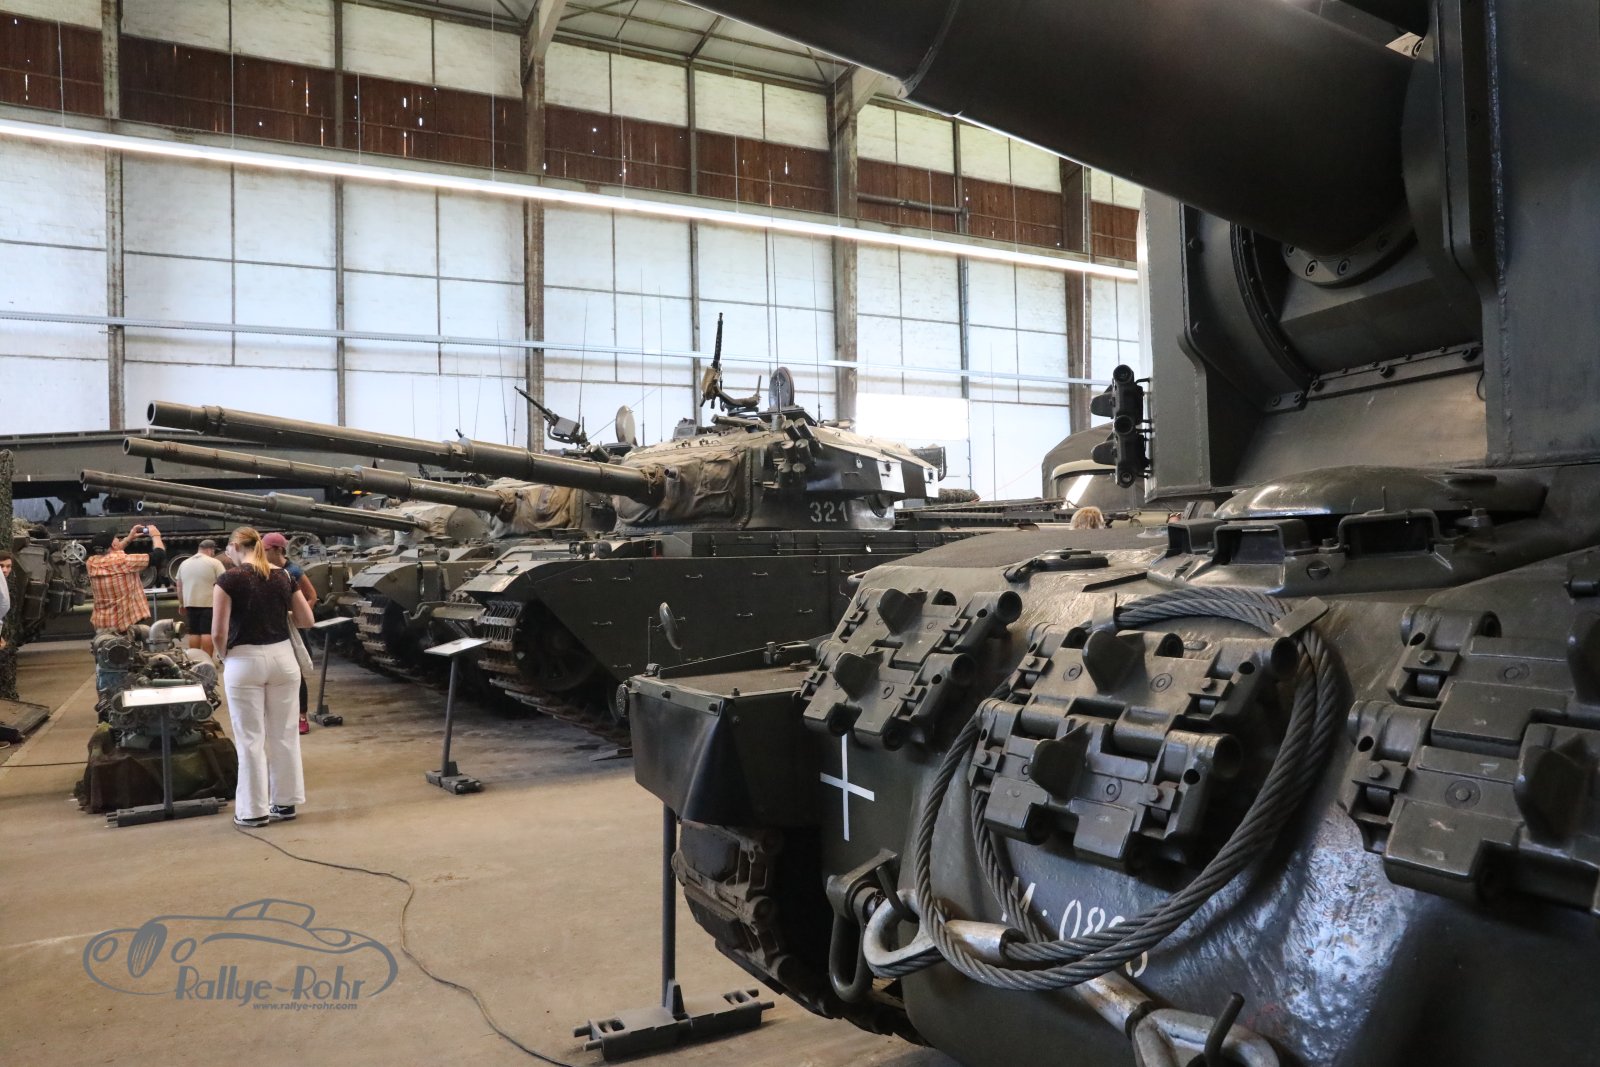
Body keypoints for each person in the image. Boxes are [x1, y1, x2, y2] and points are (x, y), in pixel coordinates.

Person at [212, 527, 315, 829]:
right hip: (283, 659)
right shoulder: (284, 576)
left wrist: (224, 656)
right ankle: (285, 802)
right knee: (284, 734)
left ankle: (253, 811)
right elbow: (306, 620)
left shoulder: (228, 579)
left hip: (244, 660)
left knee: (250, 738)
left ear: (235, 546)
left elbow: (218, 632)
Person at [262, 533, 319, 735]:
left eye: (265, 550)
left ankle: (302, 716)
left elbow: (312, 596)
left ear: (277, 549)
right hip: (273, 628)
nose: (262, 553)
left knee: (297, 673)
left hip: (292, 628)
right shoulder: (266, 570)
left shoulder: (293, 571)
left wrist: (299, 616)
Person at [87, 524, 166, 634]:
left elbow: (111, 554)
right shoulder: (124, 561)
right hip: (123, 625)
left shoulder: (91, 562)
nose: (118, 539)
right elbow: (159, 556)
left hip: (102, 624)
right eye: (116, 538)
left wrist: (129, 539)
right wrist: (155, 535)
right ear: (113, 544)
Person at [174, 539, 227, 655]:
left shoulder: (184, 563)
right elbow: (224, 582)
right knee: (207, 633)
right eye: (213, 551)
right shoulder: (215, 563)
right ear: (210, 550)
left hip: (190, 603)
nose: (213, 553)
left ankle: (195, 659)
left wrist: (181, 603)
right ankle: (207, 659)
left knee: (194, 632)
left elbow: (179, 586)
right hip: (209, 604)